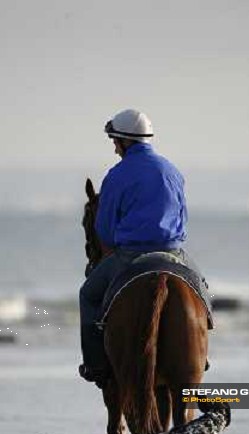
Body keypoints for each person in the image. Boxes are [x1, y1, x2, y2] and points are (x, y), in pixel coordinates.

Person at [79, 108, 201, 386]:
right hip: (173, 254)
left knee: (87, 295)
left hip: (130, 256)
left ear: (124, 141)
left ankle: (95, 366)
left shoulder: (116, 175)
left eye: (114, 143)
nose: (114, 149)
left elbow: (105, 229)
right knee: (201, 292)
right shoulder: (173, 171)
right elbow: (182, 217)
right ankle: (199, 357)